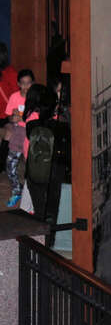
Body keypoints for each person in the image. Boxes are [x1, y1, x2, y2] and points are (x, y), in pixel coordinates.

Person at [24, 84, 70, 225]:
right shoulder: (60, 126)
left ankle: (38, 240)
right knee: (51, 211)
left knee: (39, 210)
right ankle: (49, 241)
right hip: (55, 171)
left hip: (34, 169)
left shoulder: (30, 124)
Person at [4, 69, 34, 207]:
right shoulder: (14, 97)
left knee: (31, 167)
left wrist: (22, 118)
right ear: (18, 84)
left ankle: (32, 196)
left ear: (32, 83)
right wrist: (13, 118)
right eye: (23, 83)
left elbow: (38, 118)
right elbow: (9, 116)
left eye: (28, 83)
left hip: (31, 134)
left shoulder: (36, 98)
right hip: (18, 132)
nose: (26, 87)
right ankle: (17, 190)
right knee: (10, 164)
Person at [0, 42, 18, 172]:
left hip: (7, 116)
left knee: (9, 132)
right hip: (6, 116)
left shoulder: (10, 73)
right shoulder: (11, 73)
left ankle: (2, 163)